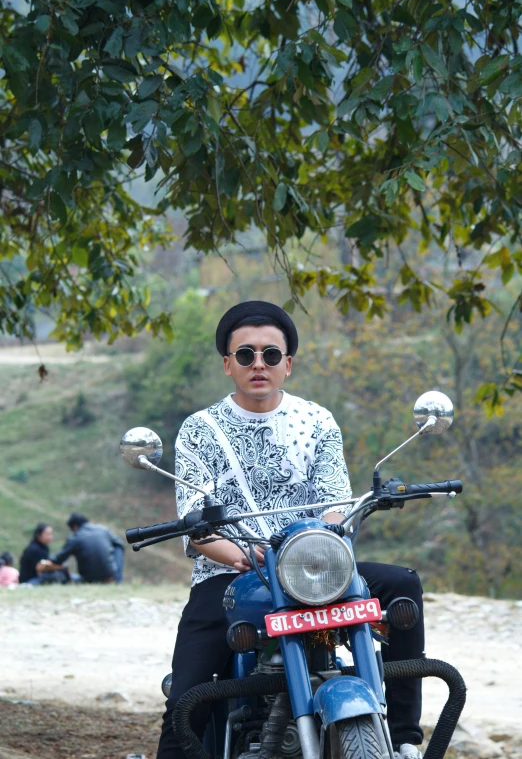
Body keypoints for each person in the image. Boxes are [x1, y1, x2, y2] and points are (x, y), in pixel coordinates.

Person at [157, 300, 425, 759]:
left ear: (288, 364)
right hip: (232, 577)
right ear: (228, 364)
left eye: (270, 354)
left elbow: (336, 503)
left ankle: (402, 739)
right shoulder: (200, 430)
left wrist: (321, 538)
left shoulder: (317, 420)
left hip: (316, 571)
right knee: (187, 695)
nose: (258, 364)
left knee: (402, 586)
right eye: (245, 354)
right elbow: (197, 528)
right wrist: (244, 555)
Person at [40, 513, 125, 584]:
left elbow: (60, 558)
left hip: (89, 579)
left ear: (75, 526)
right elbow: (120, 544)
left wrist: (46, 561)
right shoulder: (103, 530)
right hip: (111, 576)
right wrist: (117, 571)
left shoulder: (75, 538)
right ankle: (117, 579)